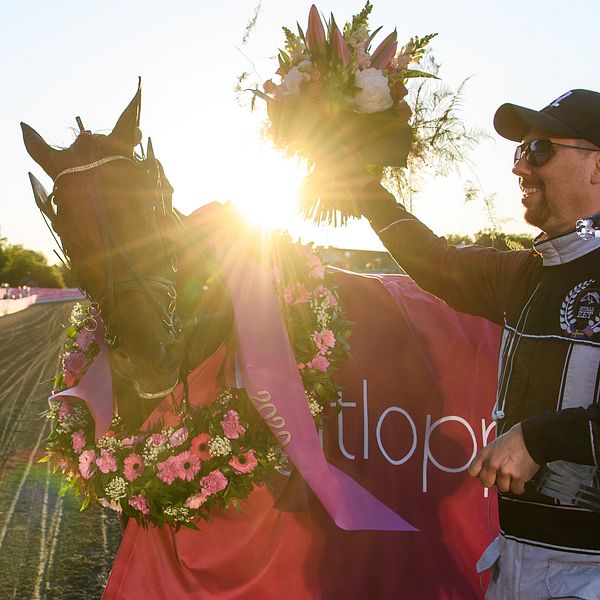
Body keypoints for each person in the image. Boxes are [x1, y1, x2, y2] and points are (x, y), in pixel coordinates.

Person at [354, 89, 600, 598]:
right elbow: (435, 262)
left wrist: (540, 438)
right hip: (513, 558)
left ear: (596, 167)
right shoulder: (525, 273)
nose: (520, 168)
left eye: (540, 151)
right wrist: (359, 186)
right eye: (520, 151)